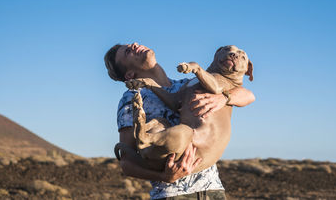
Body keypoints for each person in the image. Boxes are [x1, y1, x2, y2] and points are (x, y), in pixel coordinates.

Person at [104, 42, 255, 200]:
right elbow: (127, 164)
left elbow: (249, 95)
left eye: (133, 44)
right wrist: (164, 177)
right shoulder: (132, 98)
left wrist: (224, 97)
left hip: (213, 190)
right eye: (128, 51)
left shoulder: (186, 83)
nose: (135, 45)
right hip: (173, 194)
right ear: (129, 75)